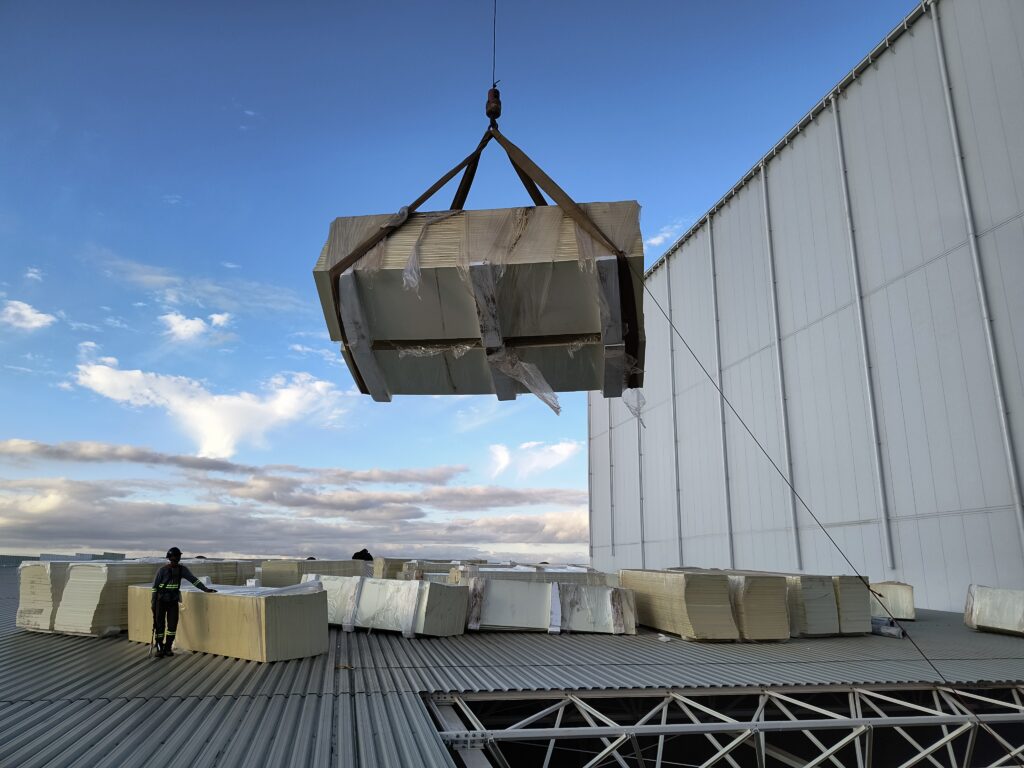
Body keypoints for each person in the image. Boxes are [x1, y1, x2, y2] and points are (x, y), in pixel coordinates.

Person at [151, 546, 217, 658]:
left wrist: (205, 589)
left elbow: (193, 580)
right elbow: (155, 588)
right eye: (174, 558)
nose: (175, 560)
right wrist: (153, 603)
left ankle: (168, 648)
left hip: (173, 602)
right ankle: (159, 648)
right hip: (160, 602)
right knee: (160, 626)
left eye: (177, 558)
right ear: (170, 558)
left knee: (172, 626)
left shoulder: (182, 570)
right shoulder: (162, 570)